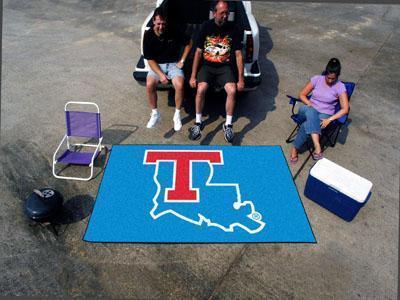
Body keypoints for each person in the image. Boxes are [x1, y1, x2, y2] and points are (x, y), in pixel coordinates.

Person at [188, 0, 244, 143]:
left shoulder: (234, 28)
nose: (225, 16)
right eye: (222, 13)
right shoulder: (206, 27)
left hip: (224, 67)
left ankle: (228, 125)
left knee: (232, 91)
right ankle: (198, 123)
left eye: (227, 13)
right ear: (215, 13)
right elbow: (198, 52)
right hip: (207, 66)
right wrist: (193, 76)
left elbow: (238, 55)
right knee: (201, 89)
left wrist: (241, 79)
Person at [289, 58, 349, 163]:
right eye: (328, 77)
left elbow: (345, 109)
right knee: (311, 111)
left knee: (306, 125)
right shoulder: (317, 79)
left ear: (337, 76)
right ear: (325, 73)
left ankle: (295, 149)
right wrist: (308, 103)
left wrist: (330, 119)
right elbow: (302, 94)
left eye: (333, 79)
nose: (330, 81)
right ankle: (317, 146)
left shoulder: (340, 87)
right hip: (307, 110)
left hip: (325, 115)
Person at [143, 7, 192, 131]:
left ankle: (177, 115)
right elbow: (149, 59)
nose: (161, 26)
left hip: (173, 63)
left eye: (163, 23)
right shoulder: (148, 35)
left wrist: (182, 60)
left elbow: (189, 42)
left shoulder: (173, 30)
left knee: (179, 85)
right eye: (158, 23)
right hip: (157, 64)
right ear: (153, 21)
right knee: (149, 84)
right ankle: (155, 114)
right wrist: (160, 75)